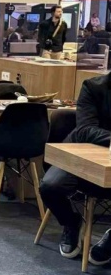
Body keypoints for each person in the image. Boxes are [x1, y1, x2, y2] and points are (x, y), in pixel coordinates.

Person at [39, 74, 111, 264]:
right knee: (50, 186)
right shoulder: (94, 87)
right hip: (80, 153)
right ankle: (71, 222)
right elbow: (86, 130)